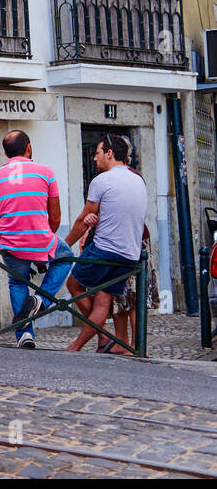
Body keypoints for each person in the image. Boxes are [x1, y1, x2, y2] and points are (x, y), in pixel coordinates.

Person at [0, 129, 74, 350]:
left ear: (6, 153)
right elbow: (55, 217)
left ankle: (24, 334)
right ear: (29, 148)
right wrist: (44, 242)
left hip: (10, 242)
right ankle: (41, 301)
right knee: (65, 256)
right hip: (40, 239)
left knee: (17, 282)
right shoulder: (45, 173)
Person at [64, 134, 148, 354]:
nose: (94, 158)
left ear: (110, 154)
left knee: (74, 285)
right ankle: (97, 341)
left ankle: (89, 341)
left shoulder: (102, 181)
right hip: (130, 255)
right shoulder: (138, 179)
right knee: (102, 300)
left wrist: (63, 247)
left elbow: (83, 221)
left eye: (98, 153)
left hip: (105, 250)